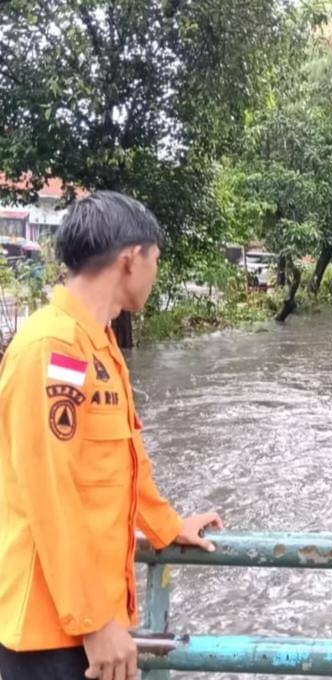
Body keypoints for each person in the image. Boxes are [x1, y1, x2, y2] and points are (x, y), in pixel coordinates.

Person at [0, 191, 223, 680]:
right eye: (156, 259)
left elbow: (120, 461)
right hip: (51, 635)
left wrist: (167, 526)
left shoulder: (98, 345)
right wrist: (94, 621)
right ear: (130, 260)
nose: (156, 271)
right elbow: (50, 492)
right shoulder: (51, 348)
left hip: (88, 623)